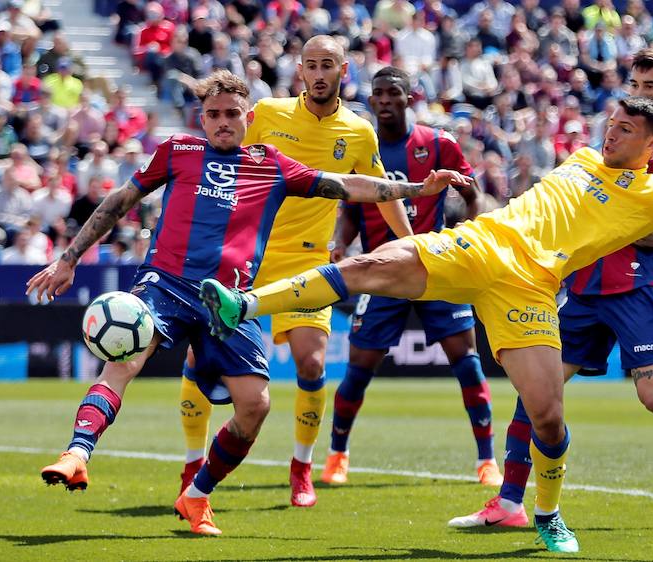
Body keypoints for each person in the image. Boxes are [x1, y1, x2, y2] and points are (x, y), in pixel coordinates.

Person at [199, 96, 653, 552]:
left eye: (626, 131)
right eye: (612, 124)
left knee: (547, 417)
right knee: (373, 262)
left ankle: (544, 512)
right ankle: (243, 304)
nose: (610, 135)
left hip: (534, 291)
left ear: (652, 146)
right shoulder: (579, 158)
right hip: (482, 245)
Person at [27, 69, 470, 536]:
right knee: (126, 359)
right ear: (202, 117)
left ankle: (196, 496)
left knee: (255, 407)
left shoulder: (271, 163)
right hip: (166, 285)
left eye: (231, 114)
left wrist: (417, 190)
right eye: (213, 114)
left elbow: (346, 185)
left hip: (229, 301)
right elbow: (120, 200)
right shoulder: (178, 151)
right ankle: (77, 452)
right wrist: (69, 258)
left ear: (247, 117)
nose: (222, 122)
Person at [448, 46, 653, 536]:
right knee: (537, 391)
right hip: (583, 282)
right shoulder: (610, 142)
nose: (640, 96)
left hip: (637, 282)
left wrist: (601, 218)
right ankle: (511, 501)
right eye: (634, 87)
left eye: (652, 88)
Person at [175, 35, 414, 509]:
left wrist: (411, 244)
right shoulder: (267, 114)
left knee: (312, 363)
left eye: (328, 64)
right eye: (311, 65)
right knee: (197, 361)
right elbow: (222, 157)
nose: (319, 72)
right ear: (300, 71)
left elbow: (379, 189)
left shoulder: (360, 132)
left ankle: (302, 466)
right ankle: (191, 462)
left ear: (343, 71)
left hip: (306, 259)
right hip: (245, 253)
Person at [321, 67, 501, 487]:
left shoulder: (438, 143)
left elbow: (473, 196)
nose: (384, 100)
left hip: (436, 266)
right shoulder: (362, 148)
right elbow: (351, 208)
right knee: (358, 369)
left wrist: (466, 238)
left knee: (468, 365)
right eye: (377, 94)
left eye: (392, 93)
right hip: (381, 271)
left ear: (408, 98)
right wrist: (341, 243)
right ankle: (337, 455)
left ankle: (487, 461)